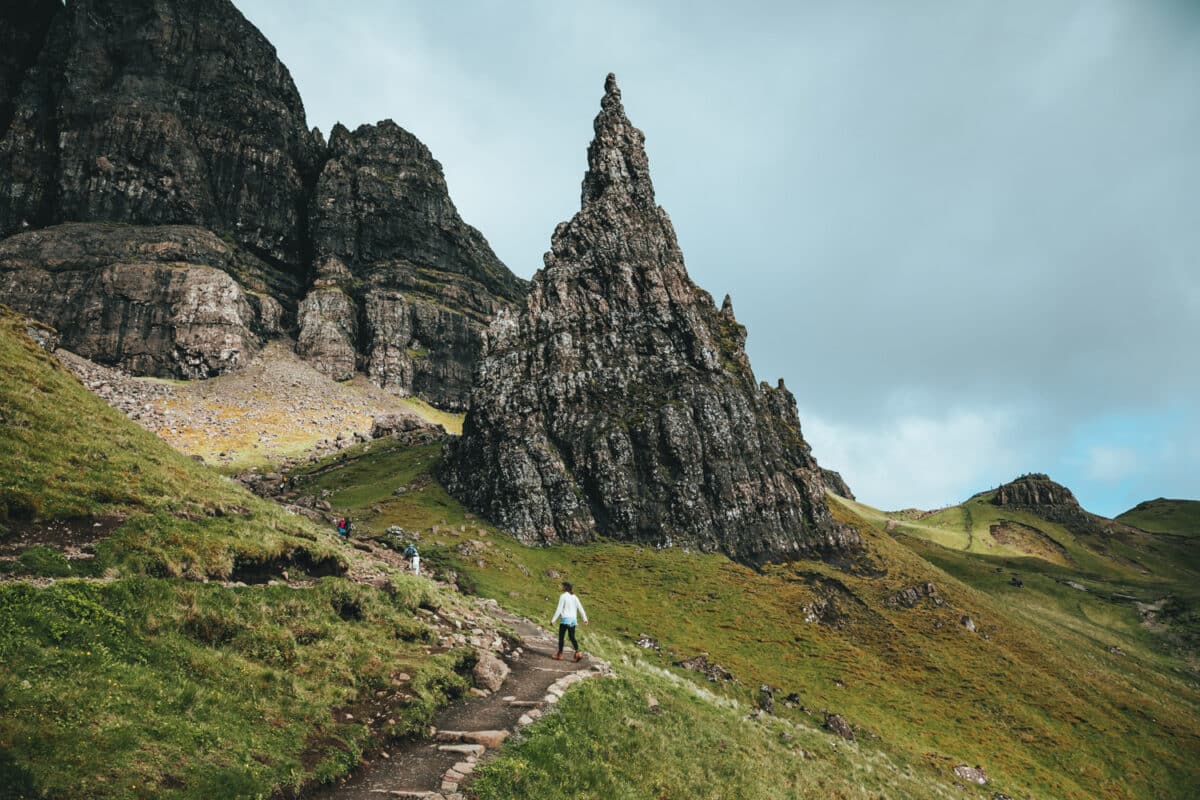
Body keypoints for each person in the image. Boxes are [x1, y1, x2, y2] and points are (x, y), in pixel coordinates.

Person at [550, 582, 588, 661]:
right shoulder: (575, 597)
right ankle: (577, 652)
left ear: (566, 587)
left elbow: (559, 609)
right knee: (572, 637)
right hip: (573, 620)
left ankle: (559, 654)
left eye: (563, 586)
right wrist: (585, 619)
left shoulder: (563, 596)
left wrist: (553, 620)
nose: (561, 587)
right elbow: (580, 608)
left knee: (561, 637)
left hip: (565, 620)